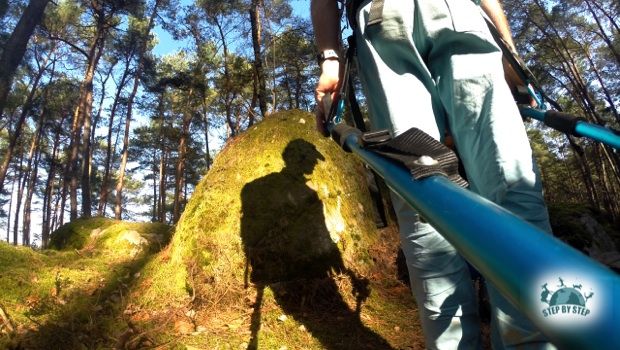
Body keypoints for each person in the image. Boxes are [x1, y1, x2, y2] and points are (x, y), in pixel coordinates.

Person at [311, 0, 556, 349]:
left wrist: (509, 53)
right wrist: (330, 58)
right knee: (429, 203)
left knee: (509, 187)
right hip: (392, 20)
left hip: (439, 16)